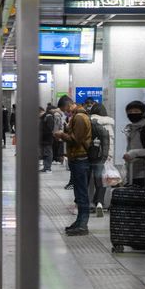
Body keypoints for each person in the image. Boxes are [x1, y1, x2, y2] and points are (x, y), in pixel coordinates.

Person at [55, 95, 91, 236]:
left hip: (81, 159)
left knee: (82, 193)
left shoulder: (80, 117)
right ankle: (79, 221)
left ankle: (83, 223)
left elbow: (76, 140)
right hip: (77, 158)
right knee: (78, 192)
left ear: (69, 105)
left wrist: (61, 135)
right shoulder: (76, 116)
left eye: (64, 109)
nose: (65, 112)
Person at [123, 101, 145, 188]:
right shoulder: (132, 129)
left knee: (144, 200)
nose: (132, 114)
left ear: (144, 113)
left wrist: (134, 153)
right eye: (130, 112)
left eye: (136, 111)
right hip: (133, 172)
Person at [88, 103, 115, 217]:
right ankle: (100, 202)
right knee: (102, 181)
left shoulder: (90, 122)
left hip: (90, 155)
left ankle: (89, 204)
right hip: (104, 156)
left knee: (89, 181)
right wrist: (108, 156)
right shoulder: (109, 124)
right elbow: (110, 142)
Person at [39, 106, 55, 173]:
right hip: (43, 139)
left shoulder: (48, 117)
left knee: (48, 153)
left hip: (47, 139)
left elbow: (50, 129)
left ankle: (48, 168)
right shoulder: (42, 118)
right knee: (45, 154)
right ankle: (45, 167)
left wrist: (41, 132)